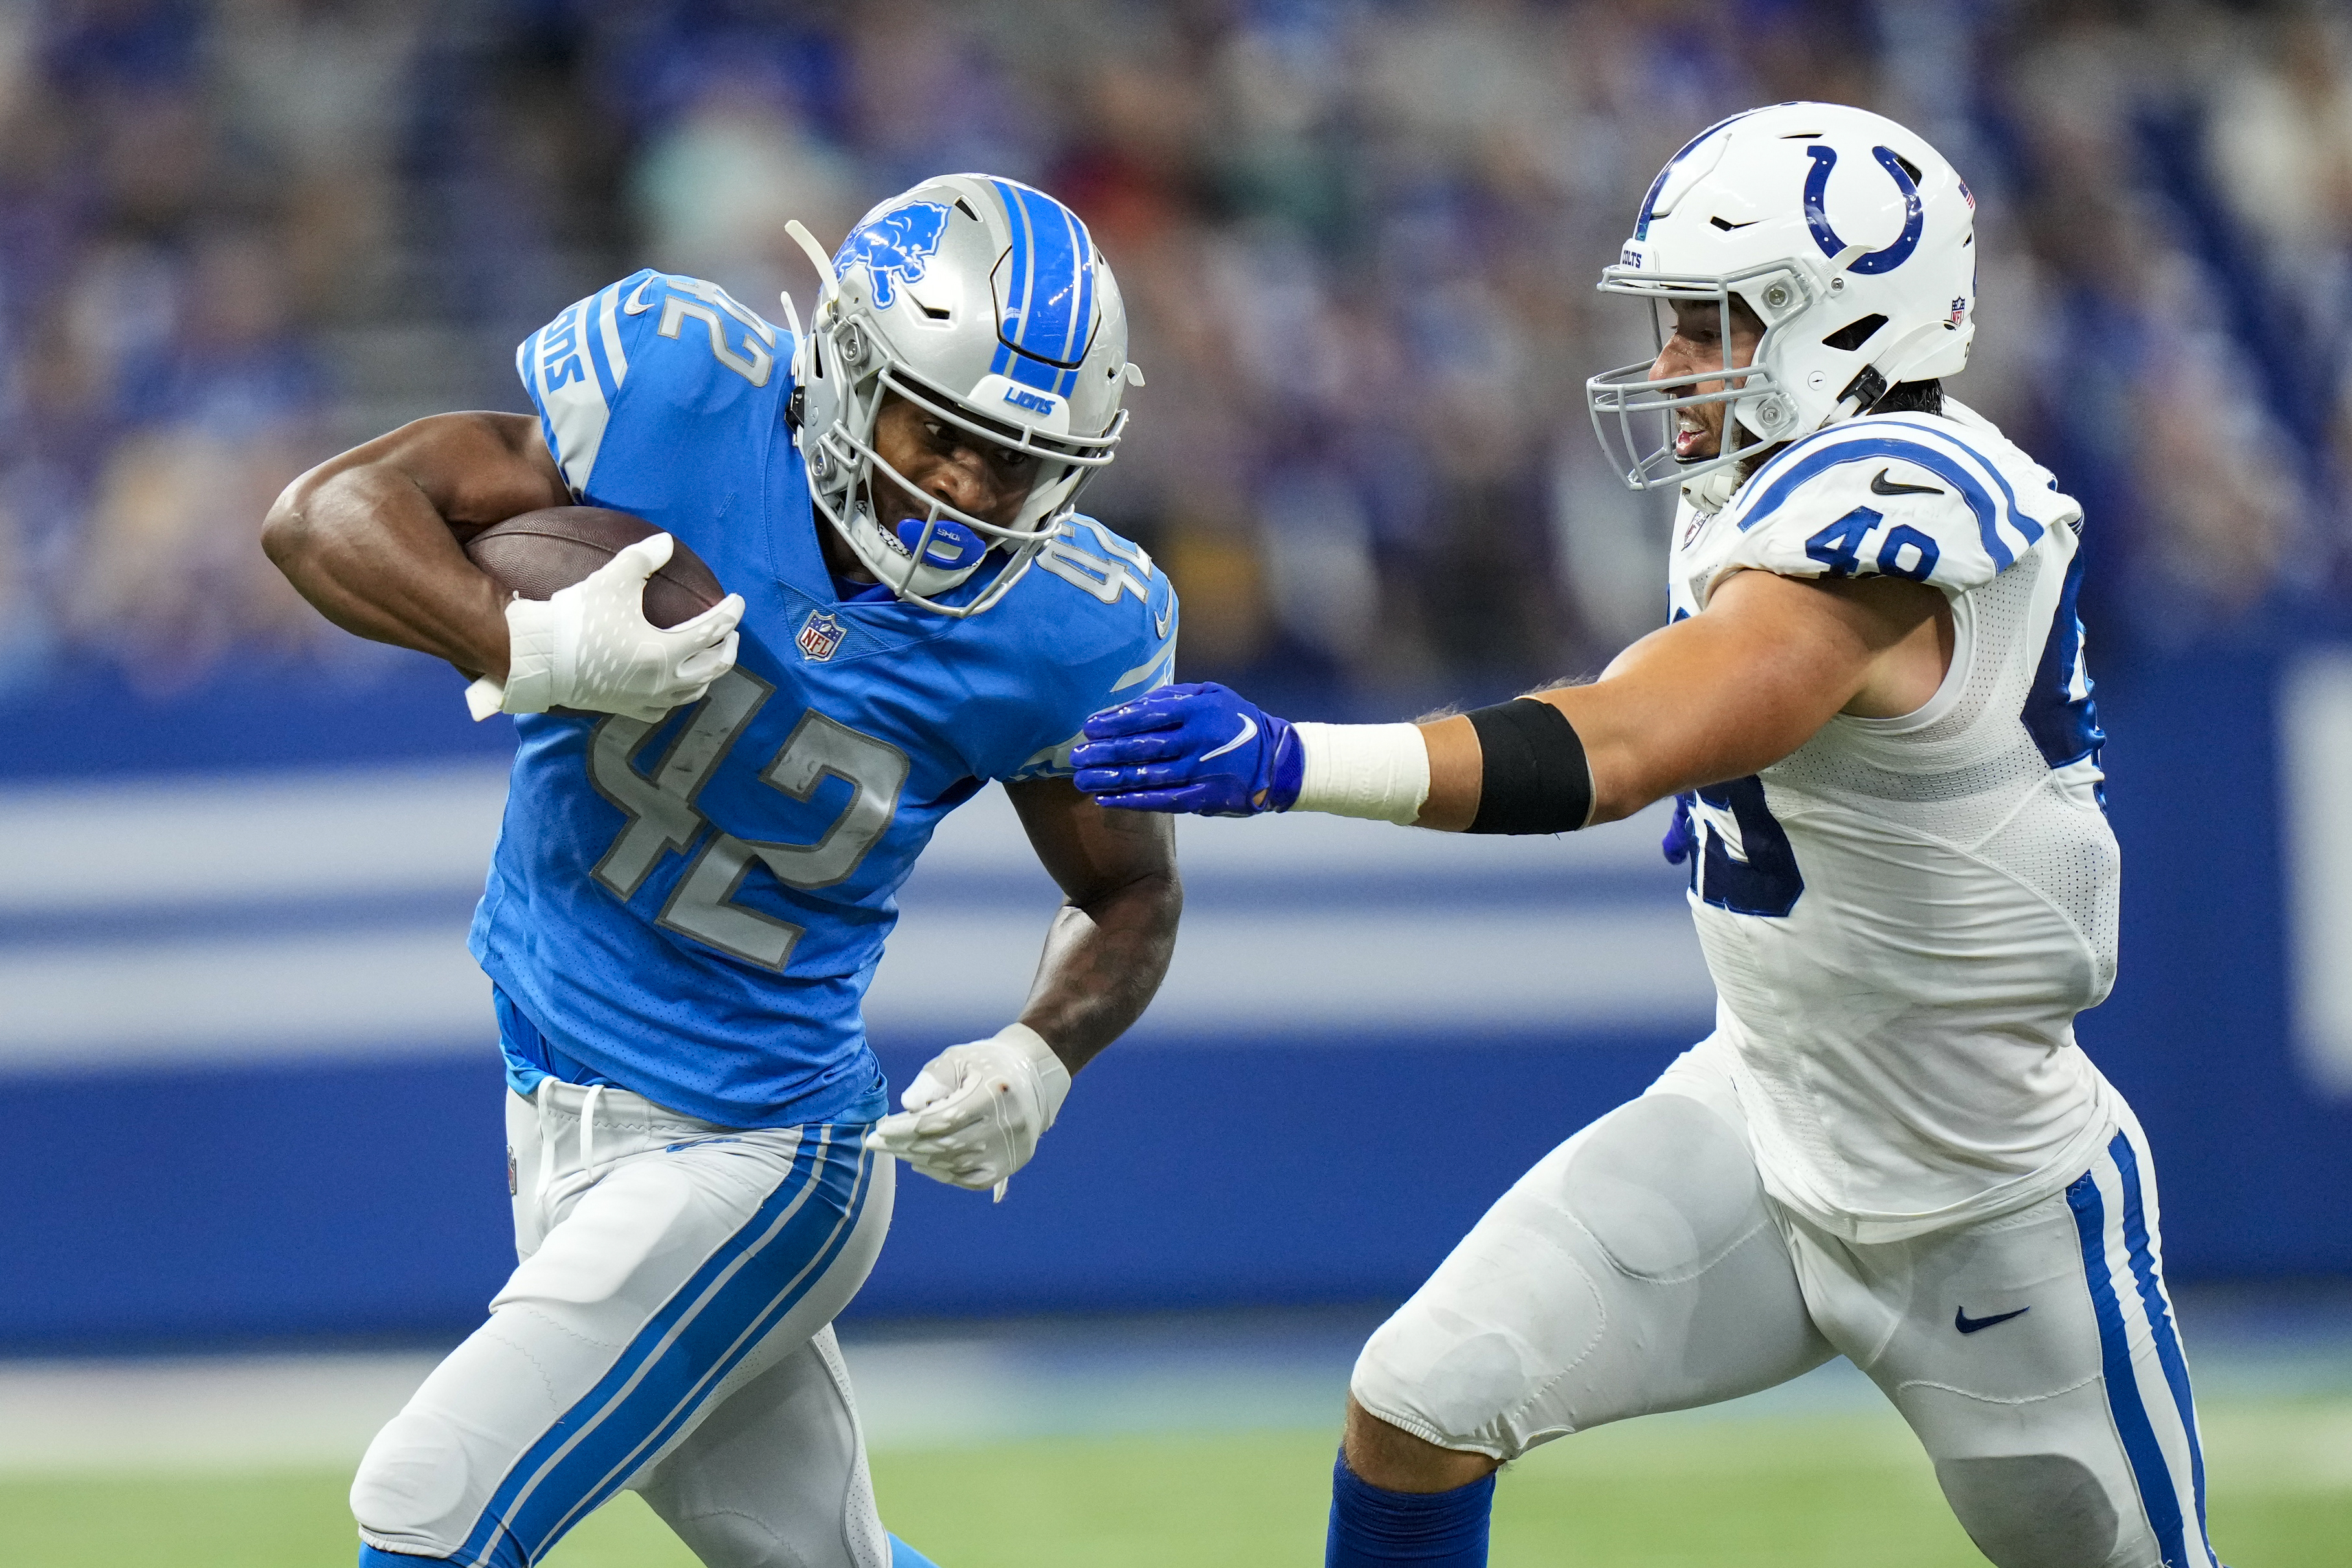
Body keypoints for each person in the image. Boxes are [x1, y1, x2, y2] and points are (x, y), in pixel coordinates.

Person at [1077, 102, 2219, 1568]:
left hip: (1983, 1187)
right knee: (1417, 1399)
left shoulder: (1903, 501)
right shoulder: (1757, 486)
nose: (1674, 363)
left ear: (1847, 318)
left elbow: (1615, 745)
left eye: (1711, 323)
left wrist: (1295, 758)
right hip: (1764, 1110)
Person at [262, 174, 1182, 1568]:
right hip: (556, 1101)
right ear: (845, 365)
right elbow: (324, 513)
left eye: (1014, 460)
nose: (967, 489)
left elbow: (1128, 892)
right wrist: (522, 644)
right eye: (943, 432)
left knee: (426, 1506)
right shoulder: (677, 394)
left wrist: (1039, 1053)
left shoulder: (1062, 627)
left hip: (759, 1148)